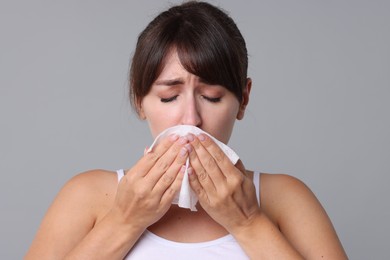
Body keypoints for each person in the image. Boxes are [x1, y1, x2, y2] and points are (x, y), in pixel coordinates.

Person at [25, 1, 347, 259]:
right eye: (169, 97)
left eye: (211, 96)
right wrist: (124, 221)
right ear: (140, 100)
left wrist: (249, 224)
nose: (191, 119)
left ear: (243, 99)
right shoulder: (87, 197)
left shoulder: (286, 200)